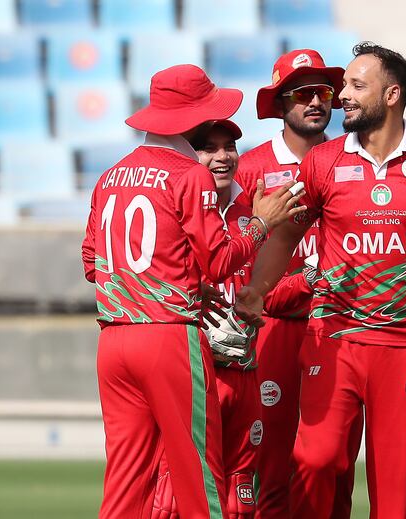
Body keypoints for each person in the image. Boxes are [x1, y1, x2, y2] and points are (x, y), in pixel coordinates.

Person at [237, 43, 406, 519]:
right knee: (315, 460)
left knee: (397, 485)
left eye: (356, 86)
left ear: (391, 95)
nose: (343, 95)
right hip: (333, 336)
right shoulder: (322, 163)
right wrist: (257, 289)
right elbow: (284, 238)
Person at [81, 64, 302, 519]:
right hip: (168, 340)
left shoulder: (111, 176)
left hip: (113, 339)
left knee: (125, 479)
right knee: (199, 474)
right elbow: (220, 261)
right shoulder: (187, 173)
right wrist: (262, 224)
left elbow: (93, 263)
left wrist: (177, 286)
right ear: (193, 118)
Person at [151, 121, 315, 519]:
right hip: (194, 375)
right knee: (175, 498)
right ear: (189, 156)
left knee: (242, 498)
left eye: (230, 147)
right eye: (208, 148)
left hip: (243, 373)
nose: (222, 157)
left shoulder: (252, 213)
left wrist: (312, 274)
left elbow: (265, 295)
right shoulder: (172, 210)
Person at [233, 48, 359, 519]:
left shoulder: (355, 161)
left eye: (324, 92)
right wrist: (305, 281)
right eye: (302, 93)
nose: (315, 102)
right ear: (280, 103)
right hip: (276, 331)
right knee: (274, 467)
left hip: (342, 329)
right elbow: (241, 265)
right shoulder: (250, 170)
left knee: (338, 468)